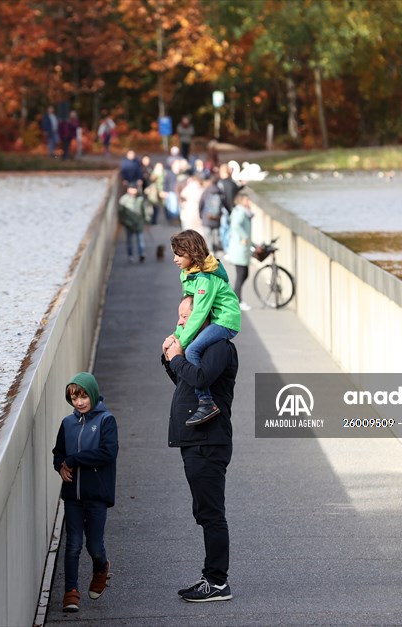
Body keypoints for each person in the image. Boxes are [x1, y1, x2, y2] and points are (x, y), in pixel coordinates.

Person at [161, 295, 238, 603]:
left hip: (209, 441)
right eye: (179, 316)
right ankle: (212, 578)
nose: (180, 321)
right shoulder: (201, 348)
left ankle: (217, 582)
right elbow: (186, 384)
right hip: (196, 440)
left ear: (203, 315)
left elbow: (202, 378)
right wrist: (169, 358)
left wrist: (178, 358)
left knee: (211, 513)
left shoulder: (219, 348)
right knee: (204, 512)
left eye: (185, 316)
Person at [52, 372, 119, 613]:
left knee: (95, 546)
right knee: (73, 545)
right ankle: (71, 591)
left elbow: (107, 453)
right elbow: (58, 453)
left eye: (83, 396)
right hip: (72, 496)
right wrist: (61, 465)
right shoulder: (67, 423)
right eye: (74, 397)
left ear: (91, 394)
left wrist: (74, 459)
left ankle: (101, 568)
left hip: (96, 495)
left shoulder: (106, 421)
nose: (79, 402)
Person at [167, 230, 241, 425]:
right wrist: (176, 335)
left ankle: (206, 402)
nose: (175, 259)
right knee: (187, 345)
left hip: (225, 321)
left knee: (192, 349)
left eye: (179, 254)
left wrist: (181, 343)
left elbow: (199, 313)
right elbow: (187, 311)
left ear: (192, 252)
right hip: (215, 318)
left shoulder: (205, 278)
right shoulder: (188, 274)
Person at [225, 192, 255, 311]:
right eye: (247, 200)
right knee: (241, 274)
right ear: (242, 201)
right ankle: (237, 300)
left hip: (240, 248)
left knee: (243, 274)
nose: (249, 203)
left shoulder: (239, 211)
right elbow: (236, 225)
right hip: (240, 249)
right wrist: (244, 237)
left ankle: (236, 298)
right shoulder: (241, 212)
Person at [118, 183, 149, 263]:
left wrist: (146, 220)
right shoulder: (124, 199)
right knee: (129, 241)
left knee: (140, 240)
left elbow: (144, 210)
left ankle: (141, 254)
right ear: (128, 189)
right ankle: (130, 255)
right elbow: (120, 212)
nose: (134, 190)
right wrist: (123, 221)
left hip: (139, 222)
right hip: (128, 223)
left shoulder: (140, 198)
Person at [199, 176, 228, 254]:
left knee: (208, 238)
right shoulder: (221, 193)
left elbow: (200, 205)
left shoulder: (206, 192)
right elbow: (226, 205)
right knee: (215, 237)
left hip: (206, 218)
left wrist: (201, 216)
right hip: (216, 219)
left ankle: (209, 252)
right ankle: (214, 253)